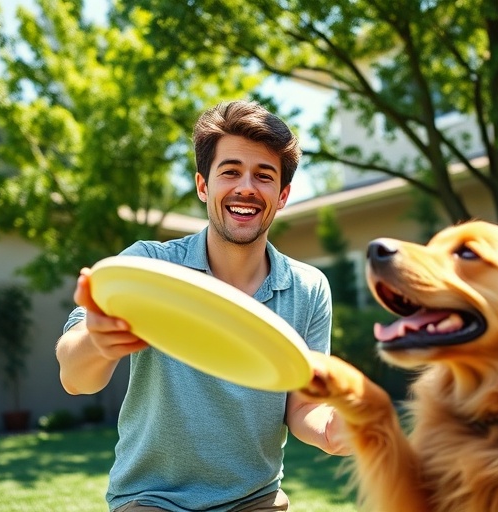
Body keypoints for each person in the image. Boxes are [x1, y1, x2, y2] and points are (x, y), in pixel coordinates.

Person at [56, 100, 350, 512]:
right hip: (151, 499)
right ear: (202, 185)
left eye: (263, 176)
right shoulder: (148, 265)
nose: (246, 187)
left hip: (256, 499)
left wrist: (330, 430)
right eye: (230, 172)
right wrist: (98, 342)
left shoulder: (308, 288)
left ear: (282, 196)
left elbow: (303, 404)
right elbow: (74, 377)